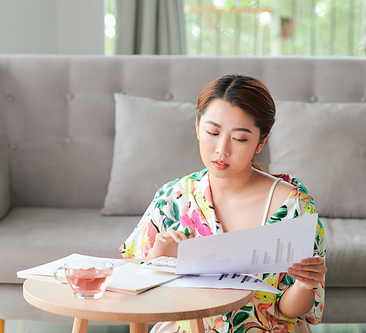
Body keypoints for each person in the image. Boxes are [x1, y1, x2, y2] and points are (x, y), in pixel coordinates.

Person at [120, 74, 327, 333]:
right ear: (197, 127)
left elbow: (289, 311)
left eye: (240, 139)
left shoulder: (293, 205)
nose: (221, 149)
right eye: (212, 132)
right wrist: (158, 257)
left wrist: (304, 285)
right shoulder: (174, 197)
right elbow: (133, 287)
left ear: (261, 141)